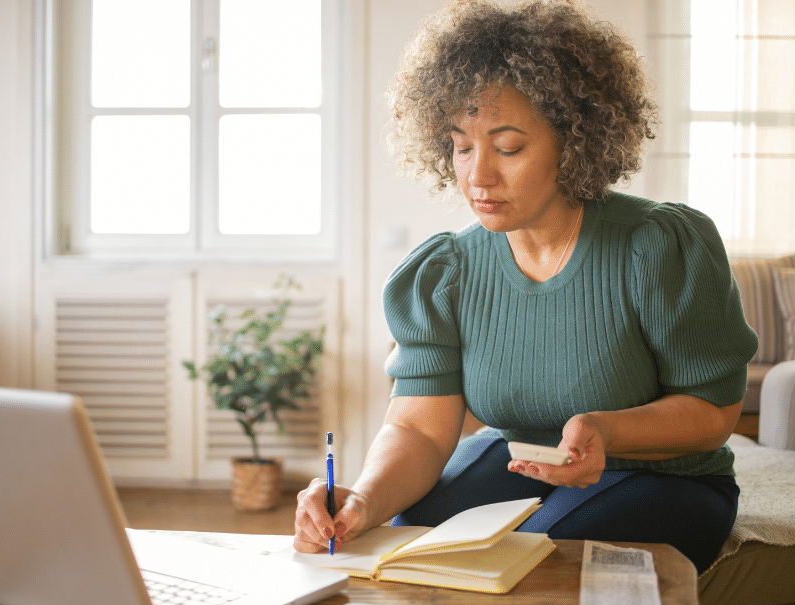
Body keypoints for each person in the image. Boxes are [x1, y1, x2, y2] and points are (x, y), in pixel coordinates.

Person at [293, 0, 757, 573]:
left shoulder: (657, 245)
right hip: (517, 460)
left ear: (574, 140)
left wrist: (606, 432)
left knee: (533, 563)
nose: (477, 175)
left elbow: (714, 410)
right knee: (404, 541)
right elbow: (417, 426)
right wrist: (361, 498)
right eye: (462, 146)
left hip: (663, 477)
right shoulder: (447, 271)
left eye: (507, 148)